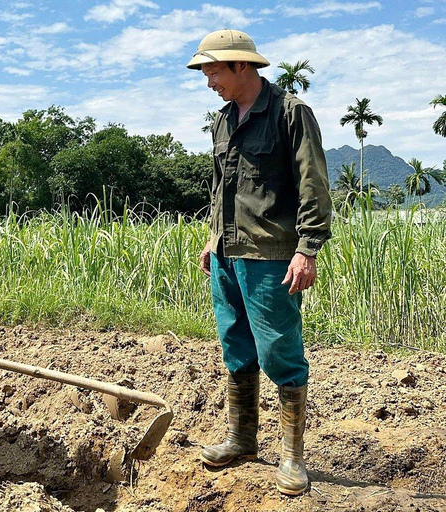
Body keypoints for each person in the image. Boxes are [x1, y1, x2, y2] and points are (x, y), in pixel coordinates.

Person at [186, 30, 332, 495]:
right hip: (228, 254)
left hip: (271, 255)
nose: (208, 79)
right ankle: (242, 439)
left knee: (280, 354)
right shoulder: (224, 119)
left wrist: (307, 248)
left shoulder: (291, 114)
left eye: (213, 69)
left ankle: (292, 456)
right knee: (236, 347)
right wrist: (213, 237)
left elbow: (313, 185)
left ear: (241, 66)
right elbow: (221, 187)